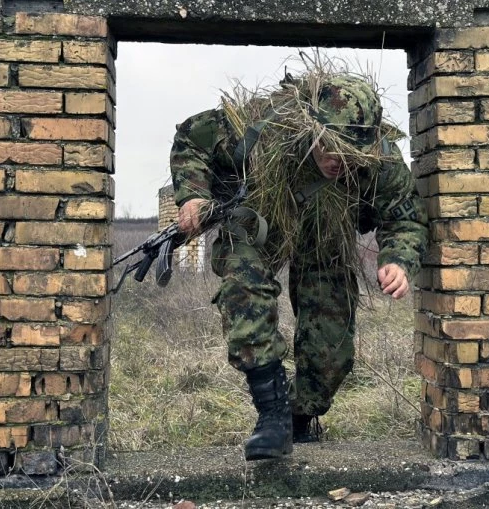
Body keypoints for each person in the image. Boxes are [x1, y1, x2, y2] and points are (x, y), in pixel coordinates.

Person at [169, 64, 428, 461]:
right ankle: (272, 417)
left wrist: (397, 260)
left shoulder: (382, 159)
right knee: (244, 286)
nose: (339, 162)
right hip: (261, 224)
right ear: (311, 127)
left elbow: (403, 216)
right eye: (331, 148)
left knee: (331, 350)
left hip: (326, 237)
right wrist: (191, 194)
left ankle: (298, 422)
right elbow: (192, 138)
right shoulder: (262, 125)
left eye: (351, 154)